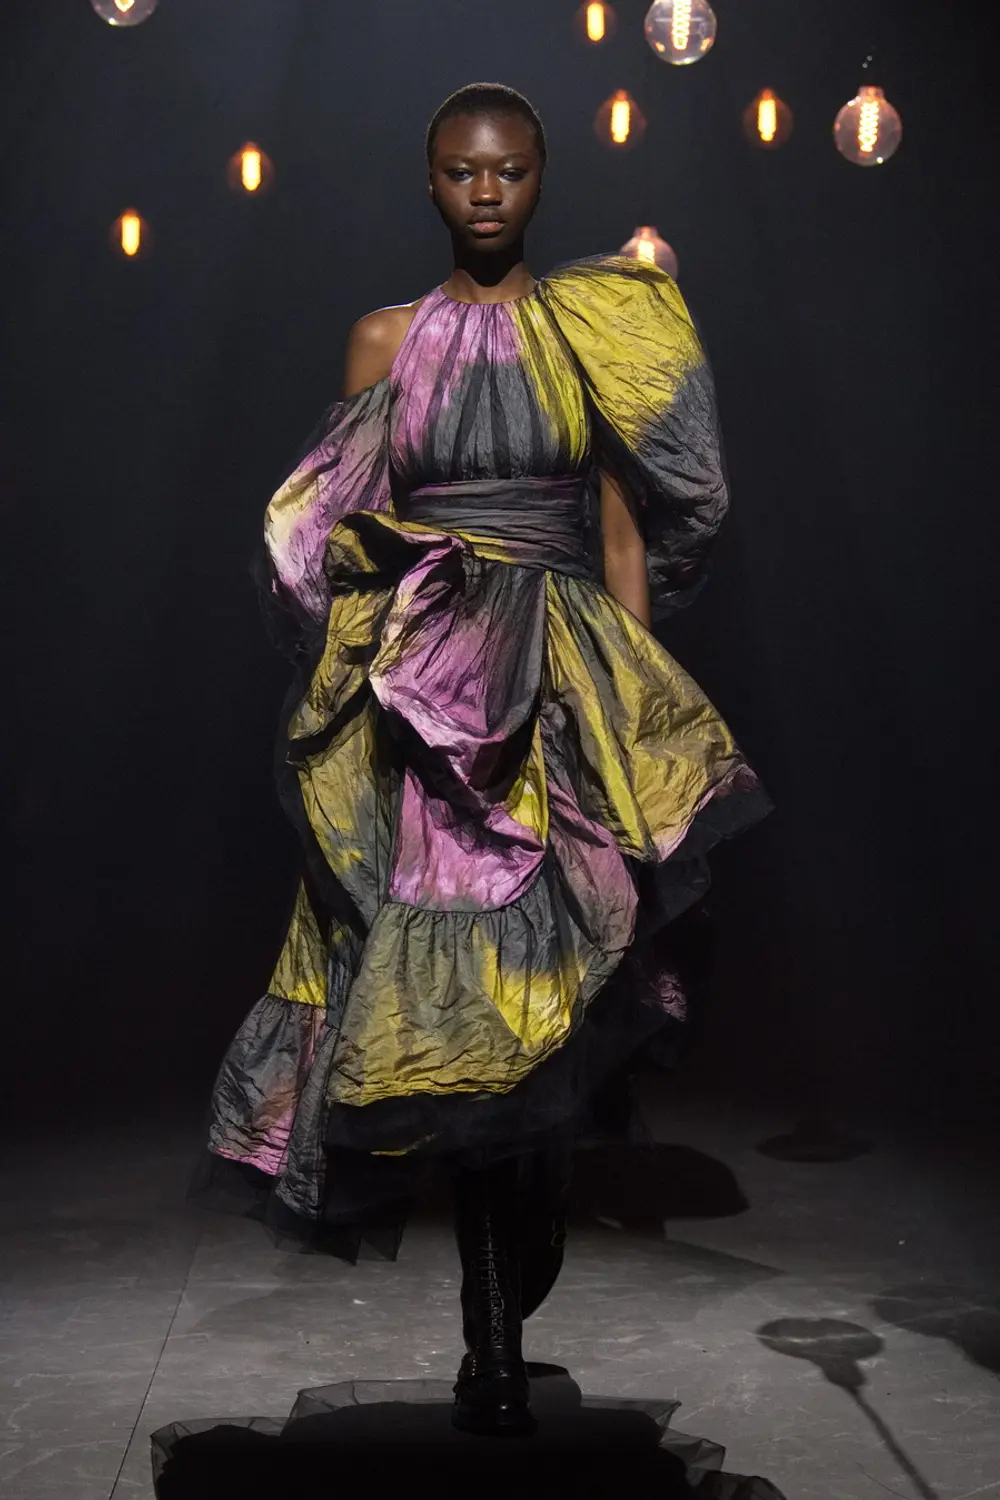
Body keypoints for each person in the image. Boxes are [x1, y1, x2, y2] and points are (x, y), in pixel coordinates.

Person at [195, 82, 771, 1437]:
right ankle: (493, 1341)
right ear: (433, 184)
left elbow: (619, 531)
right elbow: (344, 529)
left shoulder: (586, 330)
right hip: (438, 711)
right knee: (461, 1014)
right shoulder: (386, 341)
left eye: (509, 169)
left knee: (567, 989)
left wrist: (637, 711)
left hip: (565, 689)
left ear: (541, 177)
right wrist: (365, 682)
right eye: (463, 171)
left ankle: (533, 1239)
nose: (488, 190)